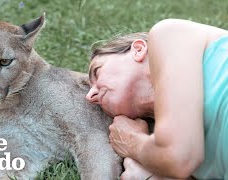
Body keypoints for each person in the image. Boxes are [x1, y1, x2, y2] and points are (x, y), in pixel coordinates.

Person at [85, 19, 228, 179]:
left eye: (97, 71)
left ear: (138, 49)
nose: (90, 96)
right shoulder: (171, 154)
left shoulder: (169, 35)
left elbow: (179, 157)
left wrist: (131, 141)